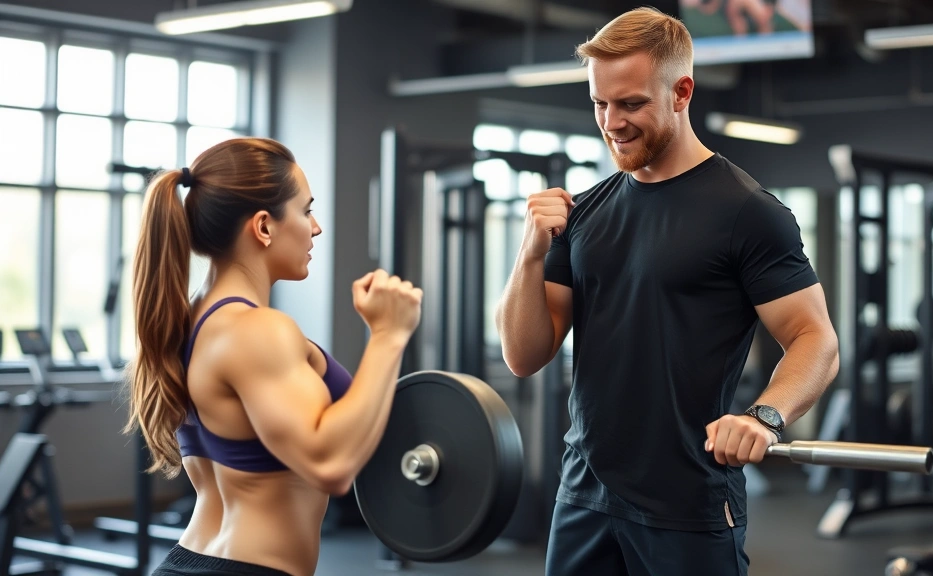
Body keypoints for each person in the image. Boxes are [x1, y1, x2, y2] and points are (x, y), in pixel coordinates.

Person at [495, 7, 839, 576]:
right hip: (583, 495)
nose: (612, 122)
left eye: (631, 104)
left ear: (682, 92)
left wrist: (764, 417)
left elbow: (815, 339)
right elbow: (524, 355)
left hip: (687, 503)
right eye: (600, 104)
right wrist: (530, 253)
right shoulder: (585, 213)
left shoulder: (748, 213)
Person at [123, 137, 423, 576]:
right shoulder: (257, 330)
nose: (316, 227)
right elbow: (330, 464)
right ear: (264, 226)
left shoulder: (188, 324)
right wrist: (388, 335)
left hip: (196, 560)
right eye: (306, 210)